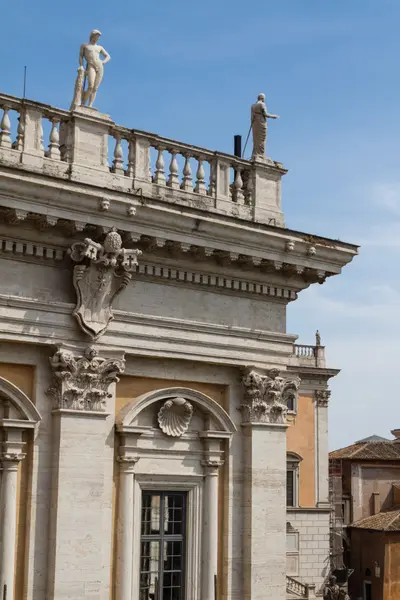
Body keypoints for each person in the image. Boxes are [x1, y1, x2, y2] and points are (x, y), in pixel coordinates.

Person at [79, 30, 111, 107]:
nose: (97, 38)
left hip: (99, 66)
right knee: (91, 86)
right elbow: (81, 56)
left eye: (98, 37)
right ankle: (83, 102)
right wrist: (82, 65)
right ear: (92, 36)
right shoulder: (85, 45)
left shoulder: (99, 47)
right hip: (91, 65)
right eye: (96, 36)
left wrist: (103, 62)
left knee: (95, 88)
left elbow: (108, 56)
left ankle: (90, 105)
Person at [251, 93, 279, 158]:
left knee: (256, 138)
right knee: (261, 139)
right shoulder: (262, 104)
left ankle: (255, 153)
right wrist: (273, 116)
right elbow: (265, 114)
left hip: (255, 124)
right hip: (261, 122)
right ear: (262, 98)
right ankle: (260, 154)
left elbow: (252, 117)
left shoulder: (253, 106)